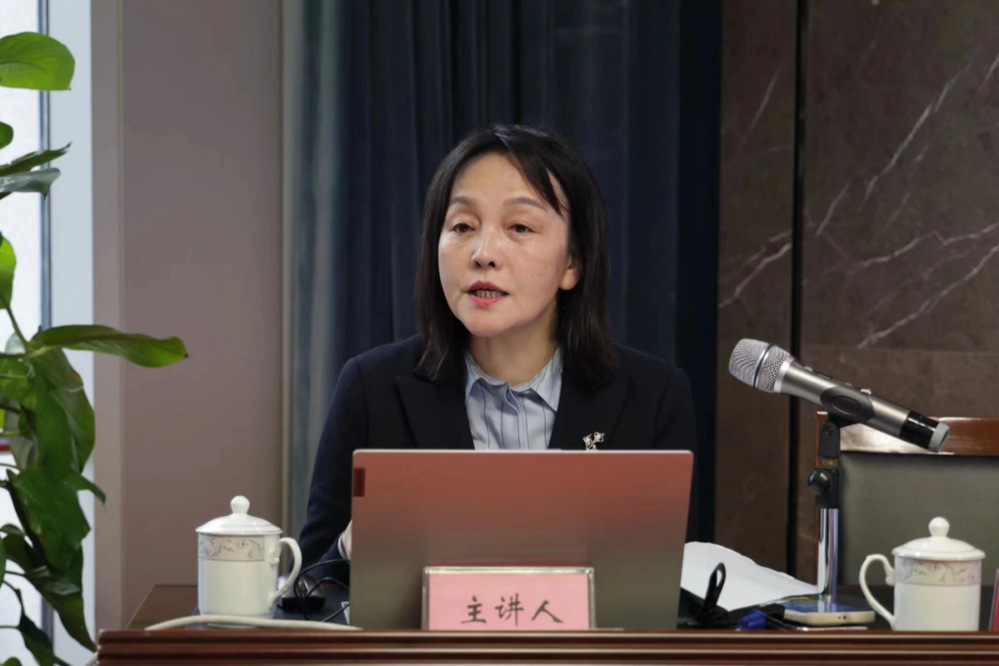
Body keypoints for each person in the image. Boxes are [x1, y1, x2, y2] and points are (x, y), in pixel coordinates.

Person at [299, 124, 696, 570]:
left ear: (573, 263)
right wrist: (348, 548)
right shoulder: (371, 389)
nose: (483, 253)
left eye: (520, 226)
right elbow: (306, 590)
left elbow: (683, 591)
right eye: (462, 226)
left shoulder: (653, 397)